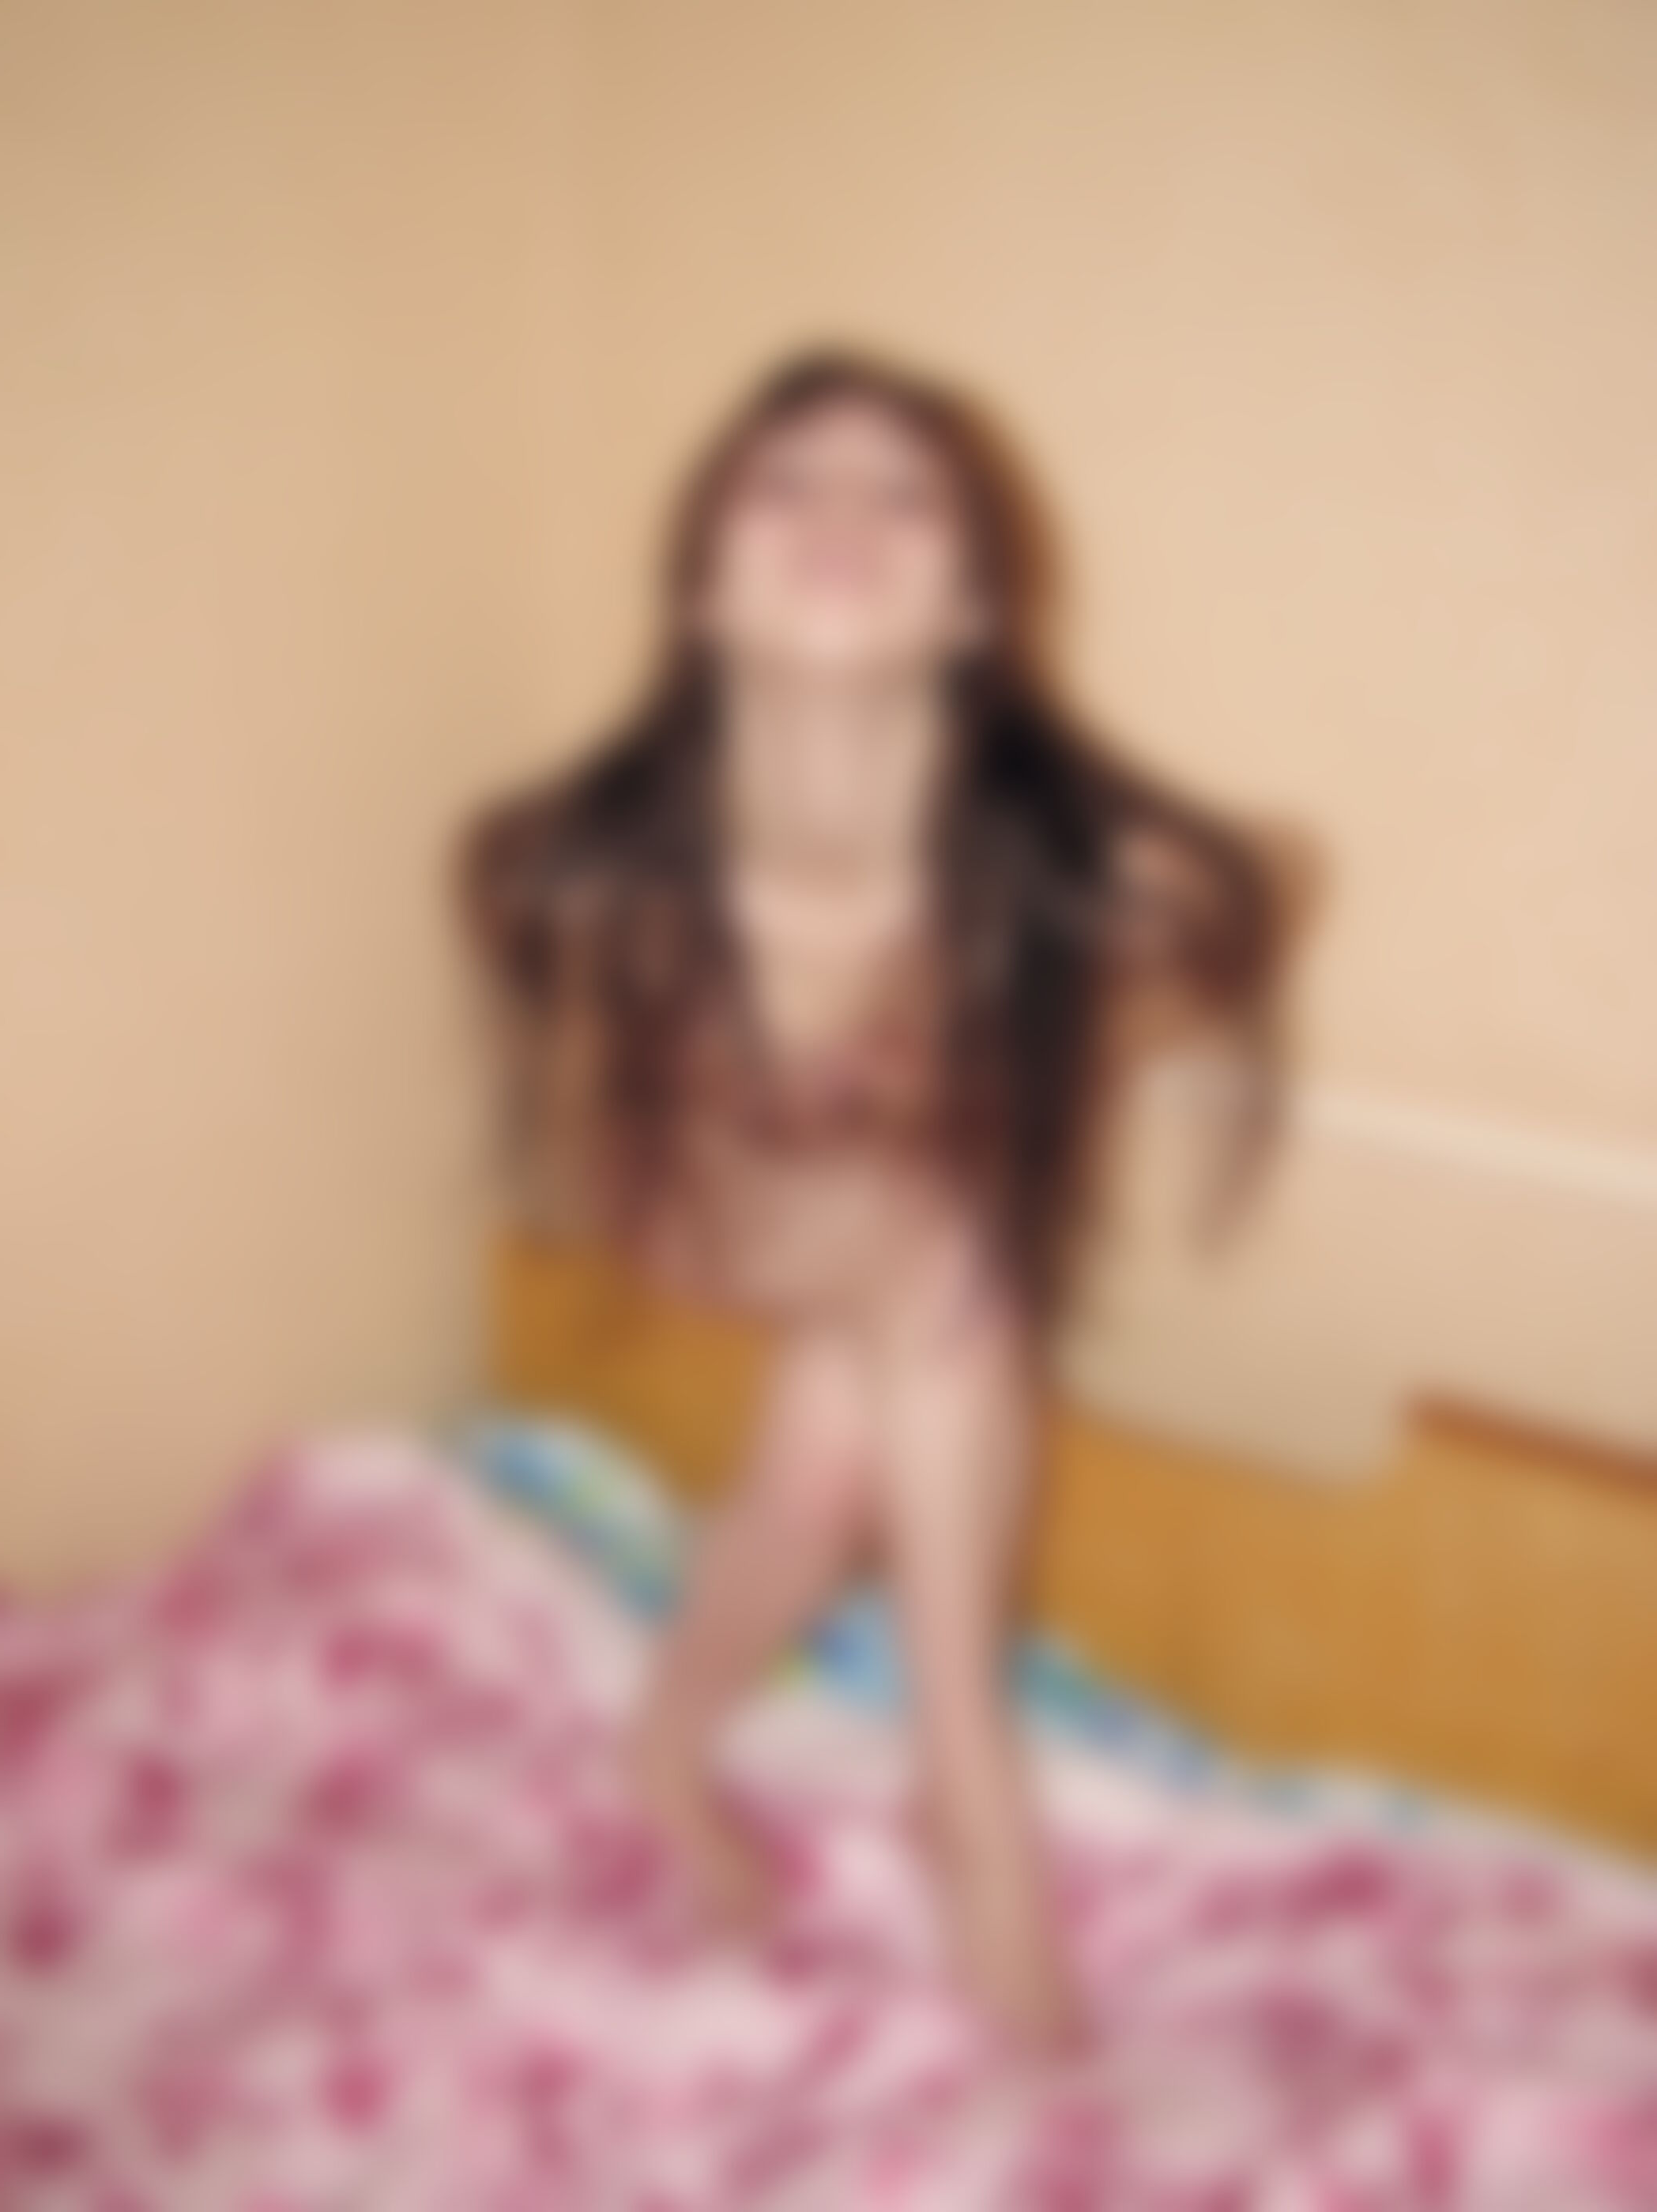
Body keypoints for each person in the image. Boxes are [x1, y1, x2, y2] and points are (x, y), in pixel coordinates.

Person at [456, 345, 1292, 2053]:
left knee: (845, 1431)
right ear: (704, 592)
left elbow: (1251, 893)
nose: (842, 508)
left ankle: (676, 1750)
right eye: (785, 483)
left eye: (906, 494)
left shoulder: (1049, 864)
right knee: (935, 1281)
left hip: (904, 1249)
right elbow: (611, 1118)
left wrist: (1074, 1045)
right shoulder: (605, 874)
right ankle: (974, 1799)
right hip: (704, 1210)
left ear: (971, 609)